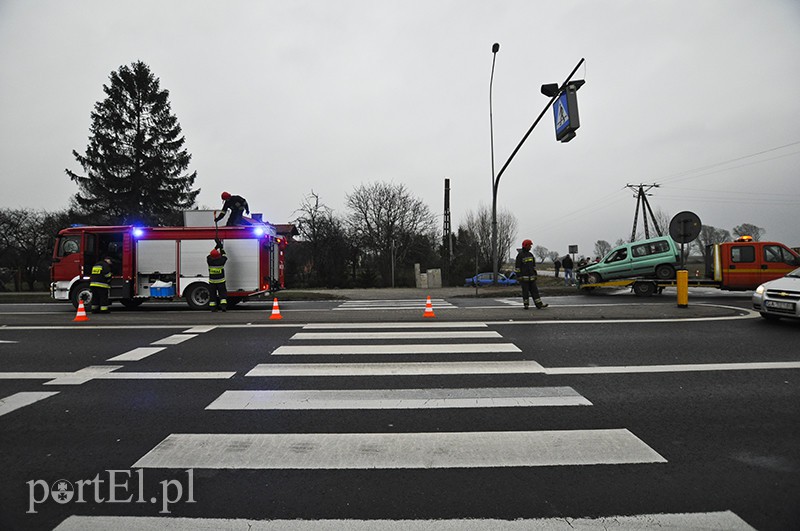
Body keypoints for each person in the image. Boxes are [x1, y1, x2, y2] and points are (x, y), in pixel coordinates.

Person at [514, 239, 548, 310]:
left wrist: (535, 275)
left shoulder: (530, 255)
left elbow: (533, 266)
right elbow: (517, 267)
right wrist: (519, 276)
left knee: (535, 292)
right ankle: (526, 304)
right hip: (524, 278)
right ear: (525, 246)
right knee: (525, 292)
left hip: (532, 278)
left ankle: (539, 304)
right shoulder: (520, 256)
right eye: (529, 245)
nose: (530, 247)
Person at [207, 239, 228, 312]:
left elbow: (210, 255)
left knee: (212, 296)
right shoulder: (221, 261)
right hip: (221, 282)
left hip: (212, 282)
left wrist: (216, 246)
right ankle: (223, 307)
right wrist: (221, 247)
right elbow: (225, 255)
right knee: (222, 295)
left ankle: (213, 308)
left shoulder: (209, 260)